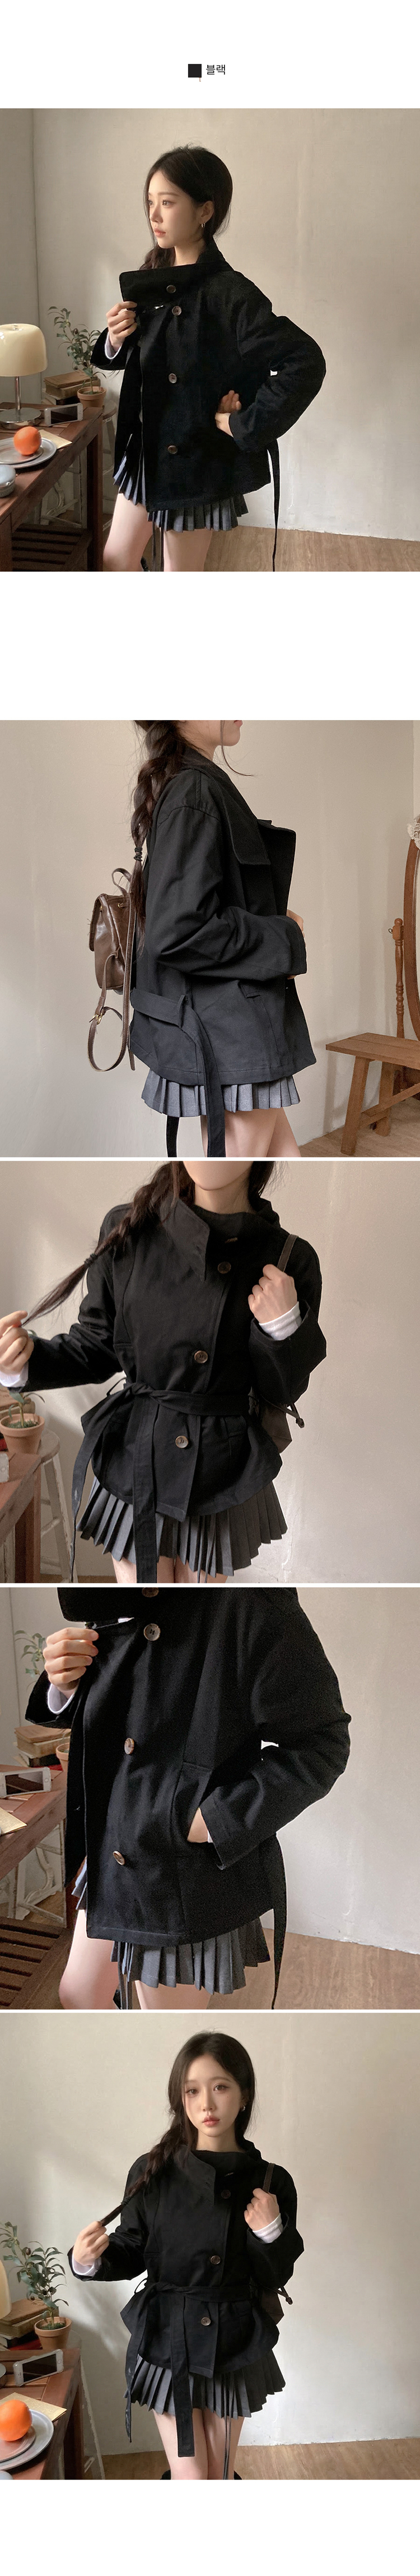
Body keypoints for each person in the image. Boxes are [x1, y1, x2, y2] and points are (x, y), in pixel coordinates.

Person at [25, 1583, 350, 2010]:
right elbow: (128, 1712)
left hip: (182, 1870)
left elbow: (321, 1744)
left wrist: (215, 1820)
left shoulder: (251, 1607)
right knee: (79, 1995)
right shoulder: (112, 1600)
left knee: (165, 2026)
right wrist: (65, 1687)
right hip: (114, 1849)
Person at [0, 1159, 326, 1584]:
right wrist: (23, 1365)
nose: (210, 1149)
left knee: (198, 1612)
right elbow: (98, 1344)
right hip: (138, 1454)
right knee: (143, 1606)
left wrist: (282, 1327)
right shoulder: (129, 1228)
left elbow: (282, 1390)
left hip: (220, 1466)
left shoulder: (289, 1259)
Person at [69, 2031, 304, 2477]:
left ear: (244, 2094)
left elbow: (277, 2275)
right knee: (192, 2478)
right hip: (168, 2338)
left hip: (234, 2340)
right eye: (193, 2091)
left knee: (218, 2475)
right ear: (180, 2099)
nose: (207, 2104)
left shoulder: (272, 2182)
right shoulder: (152, 2171)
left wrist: (271, 2232)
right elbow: (133, 2248)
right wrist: (89, 2260)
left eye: (221, 2087)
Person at [91, 145, 326, 572]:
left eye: (167, 202)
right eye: (150, 202)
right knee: (115, 562)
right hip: (145, 452)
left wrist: (243, 424)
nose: (154, 215)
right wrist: (114, 339)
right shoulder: (152, 277)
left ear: (205, 211)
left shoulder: (230, 292)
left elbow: (305, 361)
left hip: (195, 462)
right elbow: (152, 361)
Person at [124, 719, 315, 1158]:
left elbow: (197, 908)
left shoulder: (194, 784)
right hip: (229, 1031)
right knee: (240, 1170)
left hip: (230, 1025)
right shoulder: (193, 790)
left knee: (285, 1160)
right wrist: (283, 936)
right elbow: (180, 929)